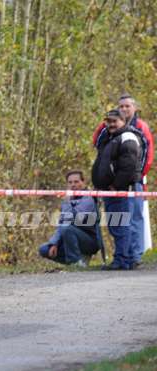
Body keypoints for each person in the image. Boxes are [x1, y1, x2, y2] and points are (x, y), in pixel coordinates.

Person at [92, 94, 153, 263]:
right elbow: (97, 146)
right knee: (117, 222)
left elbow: (143, 158)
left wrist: (133, 179)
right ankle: (126, 257)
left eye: (127, 106)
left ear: (134, 108)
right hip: (111, 185)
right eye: (121, 106)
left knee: (132, 221)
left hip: (129, 184)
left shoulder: (137, 129)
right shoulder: (108, 131)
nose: (124, 109)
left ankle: (132, 257)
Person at [38, 171, 99, 266]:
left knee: (67, 228)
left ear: (83, 182)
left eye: (76, 182)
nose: (73, 185)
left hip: (89, 241)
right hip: (70, 236)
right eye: (70, 182)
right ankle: (79, 260)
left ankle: (75, 262)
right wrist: (54, 243)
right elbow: (62, 223)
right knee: (44, 249)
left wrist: (67, 202)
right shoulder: (69, 199)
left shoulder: (88, 198)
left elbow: (73, 217)